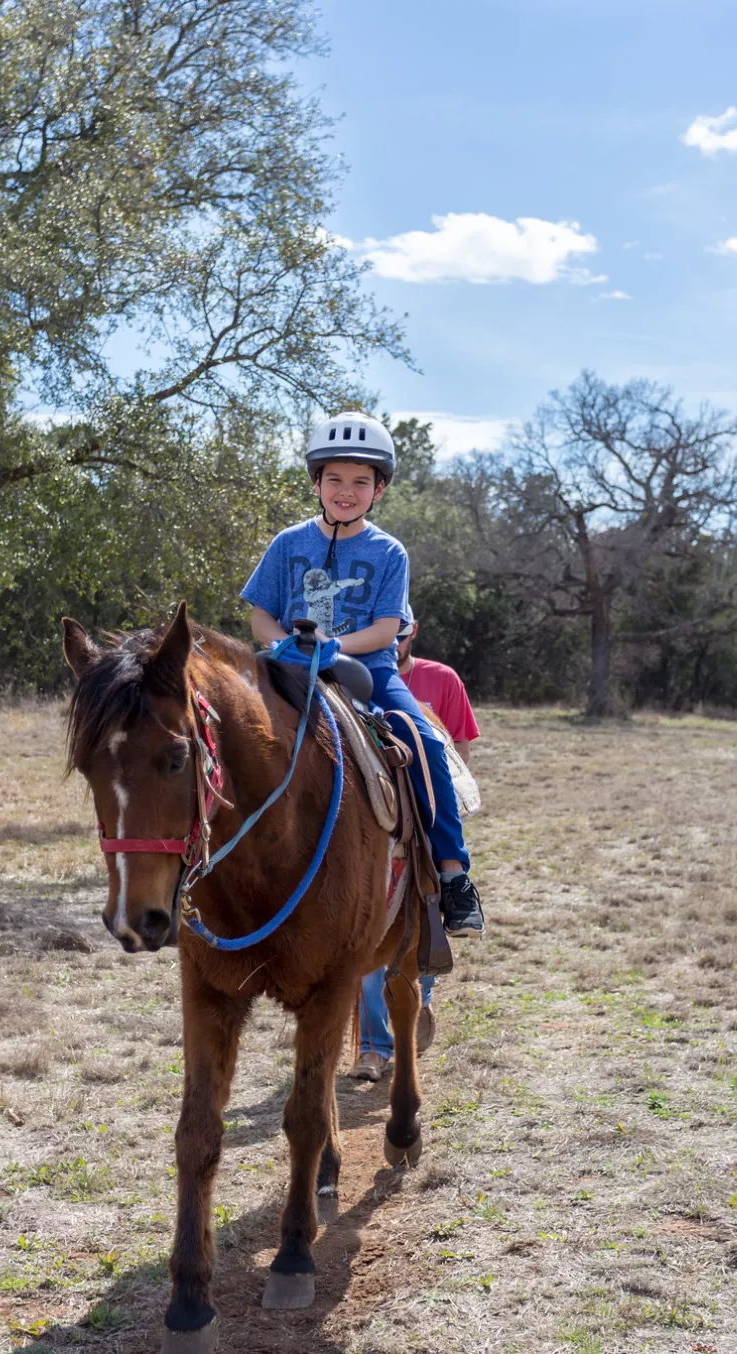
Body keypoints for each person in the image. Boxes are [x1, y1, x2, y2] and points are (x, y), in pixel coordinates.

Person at [240, 410, 484, 957]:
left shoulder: (388, 551)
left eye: (359, 482)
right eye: (335, 479)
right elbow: (260, 613)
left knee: (422, 743)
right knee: (222, 725)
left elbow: (386, 629)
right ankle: (204, 854)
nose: (345, 491)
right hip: (287, 665)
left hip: (369, 670)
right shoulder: (287, 543)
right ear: (317, 483)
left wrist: (335, 648)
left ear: (378, 490)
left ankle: (452, 875)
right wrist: (285, 644)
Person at [353, 607, 482, 1080]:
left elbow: (457, 753)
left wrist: (443, 817)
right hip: (374, 808)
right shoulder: (348, 678)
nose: (397, 643)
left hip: (424, 808)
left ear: (409, 633)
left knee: (425, 912)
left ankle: (420, 995)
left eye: (401, 635)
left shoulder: (440, 679)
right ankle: (372, 1043)